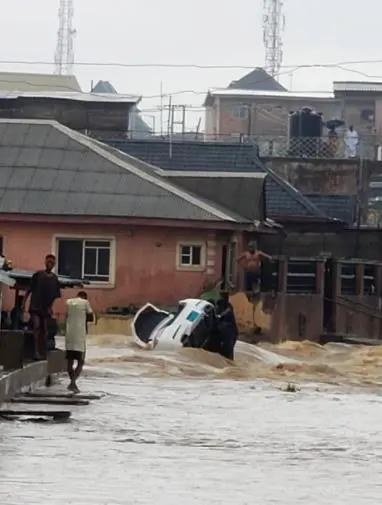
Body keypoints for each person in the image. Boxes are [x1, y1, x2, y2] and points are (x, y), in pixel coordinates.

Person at [23, 254, 61, 360]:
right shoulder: (38, 275)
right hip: (35, 306)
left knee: (44, 329)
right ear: (45, 262)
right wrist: (24, 303)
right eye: (49, 262)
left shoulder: (54, 279)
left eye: (52, 262)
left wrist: (50, 307)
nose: (50, 264)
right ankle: (35, 351)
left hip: (46, 308)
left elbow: (55, 295)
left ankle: (42, 351)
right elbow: (29, 290)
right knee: (36, 326)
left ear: (54, 264)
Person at [65, 291, 94, 393]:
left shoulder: (68, 302)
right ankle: (72, 383)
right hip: (80, 336)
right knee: (80, 362)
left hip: (69, 335)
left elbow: (66, 316)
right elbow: (91, 317)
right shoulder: (85, 302)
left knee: (69, 362)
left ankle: (73, 383)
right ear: (85, 297)